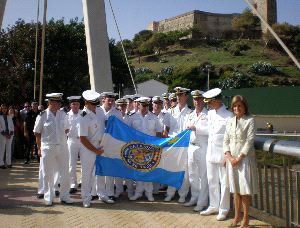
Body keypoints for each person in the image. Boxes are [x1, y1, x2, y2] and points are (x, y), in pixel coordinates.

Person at [224, 95, 258, 227]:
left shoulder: (250, 120)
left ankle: (246, 218)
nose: (237, 108)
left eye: (240, 106)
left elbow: (249, 141)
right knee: (235, 190)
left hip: (244, 160)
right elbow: (225, 140)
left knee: (244, 190)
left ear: (244, 107)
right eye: (235, 106)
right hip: (231, 160)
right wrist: (229, 156)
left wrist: (239, 158)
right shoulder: (230, 121)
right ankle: (237, 216)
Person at [33, 93, 72, 206]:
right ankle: (48, 196)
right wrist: (39, 148)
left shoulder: (63, 114)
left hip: (62, 146)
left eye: (59, 102)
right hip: (48, 147)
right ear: (50, 103)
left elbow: (66, 129)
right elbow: (37, 133)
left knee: (65, 172)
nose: (59, 104)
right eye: (57, 102)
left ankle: (64, 196)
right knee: (47, 173)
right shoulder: (42, 115)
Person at [200, 88, 232, 221]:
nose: (207, 105)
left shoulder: (229, 116)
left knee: (224, 183)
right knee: (211, 180)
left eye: (210, 102)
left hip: (222, 154)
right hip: (210, 152)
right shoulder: (211, 114)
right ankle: (213, 205)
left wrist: (228, 155)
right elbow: (209, 131)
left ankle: (224, 209)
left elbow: (230, 137)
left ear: (217, 100)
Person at [79, 90, 109, 208]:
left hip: (101, 146)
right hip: (88, 147)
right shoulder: (83, 116)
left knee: (101, 172)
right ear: (86, 103)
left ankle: (102, 194)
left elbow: (106, 123)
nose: (94, 106)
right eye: (92, 104)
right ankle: (86, 197)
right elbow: (82, 138)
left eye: (96, 104)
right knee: (87, 174)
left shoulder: (100, 110)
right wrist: (95, 150)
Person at [129, 97, 163, 202]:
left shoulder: (154, 117)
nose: (144, 108)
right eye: (142, 105)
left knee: (149, 170)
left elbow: (158, 132)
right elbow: (128, 132)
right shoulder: (132, 117)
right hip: (137, 148)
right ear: (138, 105)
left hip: (150, 148)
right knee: (138, 171)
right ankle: (138, 192)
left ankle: (149, 193)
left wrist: (157, 145)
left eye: (146, 106)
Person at [165, 87, 192, 203]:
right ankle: (170, 193)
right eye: (177, 95)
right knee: (171, 169)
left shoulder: (190, 113)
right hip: (172, 145)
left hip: (184, 146)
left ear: (186, 96)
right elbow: (166, 130)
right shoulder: (170, 112)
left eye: (181, 95)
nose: (178, 97)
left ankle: (182, 194)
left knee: (184, 170)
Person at [184, 90, 209, 212]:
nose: (197, 102)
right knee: (193, 175)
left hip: (202, 146)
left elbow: (209, 130)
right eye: (195, 99)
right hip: (191, 146)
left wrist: (196, 128)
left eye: (199, 99)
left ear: (203, 101)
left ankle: (202, 201)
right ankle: (194, 197)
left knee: (203, 176)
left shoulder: (208, 115)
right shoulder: (190, 115)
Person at [66, 96, 82, 194]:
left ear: (79, 105)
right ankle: (73, 184)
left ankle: (83, 181)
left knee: (84, 162)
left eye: (77, 104)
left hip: (83, 140)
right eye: (73, 104)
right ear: (70, 105)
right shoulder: (66, 115)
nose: (75, 106)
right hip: (71, 140)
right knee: (71, 164)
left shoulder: (84, 114)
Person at [0, 104, 14, 169]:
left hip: (10, 135)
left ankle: (8, 163)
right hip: (2, 135)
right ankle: (1, 163)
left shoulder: (9, 117)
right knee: (2, 149)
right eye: (3, 108)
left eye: (5, 108)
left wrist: (10, 133)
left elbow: (12, 126)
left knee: (9, 149)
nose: (4, 109)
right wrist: (5, 134)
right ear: (1, 109)